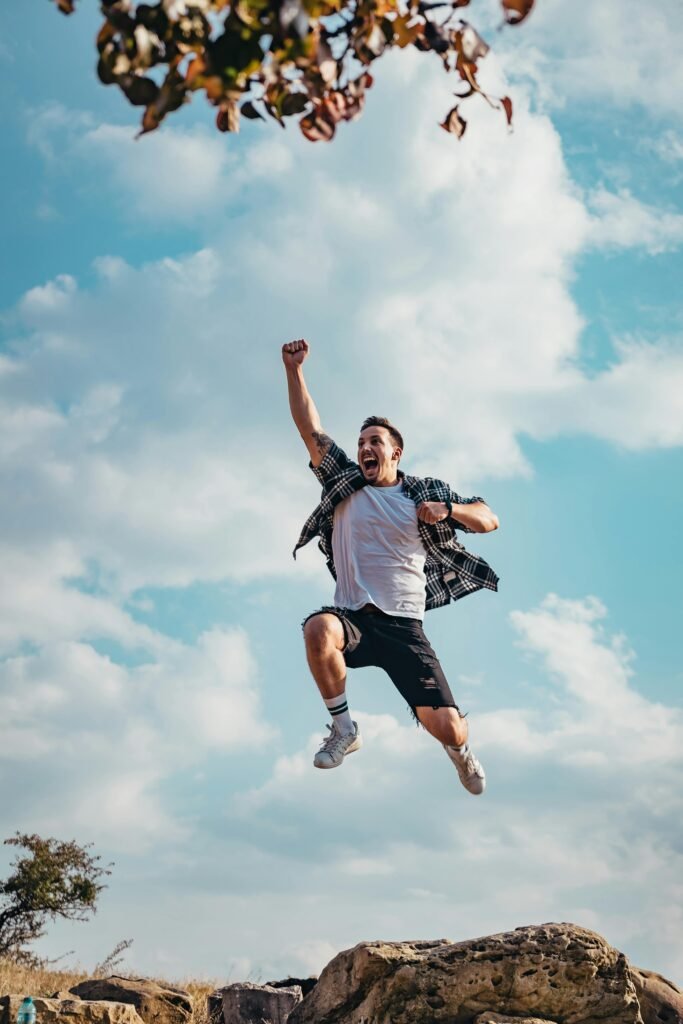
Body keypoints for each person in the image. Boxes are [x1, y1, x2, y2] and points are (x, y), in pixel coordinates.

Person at [284, 338, 500, 796]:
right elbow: (310, 429)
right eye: (361, 441)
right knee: (318, 629)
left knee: (450, 728)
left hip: (404, 628)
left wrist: (449, 510)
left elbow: (488, 518)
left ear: (395, 453)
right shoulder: (344, 480)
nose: (365, 447)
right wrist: (294, 370)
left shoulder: (421, 492)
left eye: (374, 442)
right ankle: (344, 729)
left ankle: (459, 753)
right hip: (353, 618)